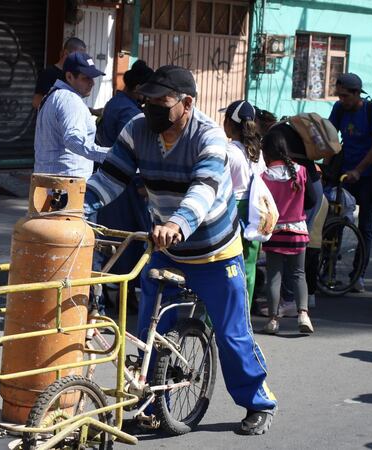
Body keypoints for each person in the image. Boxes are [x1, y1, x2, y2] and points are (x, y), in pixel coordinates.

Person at [83, 65, 277, 435]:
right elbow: (110, 178)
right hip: (166, 251)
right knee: (151, 330)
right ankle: (153, 400)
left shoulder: (209, 138)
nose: (152, 108)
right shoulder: (137, 130)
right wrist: (76, 208)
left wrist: (176, 224)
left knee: (231, 334)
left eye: (162, 102)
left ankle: (258, 402)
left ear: (187, 103)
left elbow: (202, 191)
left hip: (214, 253)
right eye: (148, 100)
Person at [91, 60, 155, 312]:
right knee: (128, 242)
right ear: (138, 88)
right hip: (125, 186)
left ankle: (114, 294)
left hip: (111, 182)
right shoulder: (130, 113)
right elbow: (134, 151)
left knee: (113, 240)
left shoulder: (115, 103)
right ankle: (121, 296)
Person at [327, 73, 372, 293]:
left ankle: (359, 274)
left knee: (366, 227)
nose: (341, 100)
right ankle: (329, 269)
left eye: (345, 96)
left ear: (356, 93)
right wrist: (324, 165)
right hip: (344, 173)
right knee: (333, 219)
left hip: (368, 177)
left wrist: (359, 170)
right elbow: (331, 137)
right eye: (339, 95)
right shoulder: (339, 109)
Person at [260, 124, 317, 334]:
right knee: (298, 274)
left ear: (266, 153)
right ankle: (303, 314)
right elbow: (311, 200)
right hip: (298, 231)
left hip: (274, 232)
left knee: (274, 275)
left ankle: (273, 319)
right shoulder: (301, 171)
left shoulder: (264, 176)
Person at [33, 52, 111, 179]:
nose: (92, 83)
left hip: (50, 183)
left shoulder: (52, 96)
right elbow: (74, 140)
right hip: (66, 187)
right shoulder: (70, 99)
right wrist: (113, 156)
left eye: (92, 78)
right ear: (69, 77)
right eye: (86, 78)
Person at [222, 100, 266, 305]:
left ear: (229, 124)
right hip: (255, 210)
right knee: (248, 266)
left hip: (232, 209)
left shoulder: (229, 152)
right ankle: (243, 316)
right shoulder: (257, 152)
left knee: (225, 265)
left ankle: (213, 322)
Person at [32, 37, 87, 110]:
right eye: (78, 56)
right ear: (66, 53)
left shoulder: (75, 75)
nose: (81, 60)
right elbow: (36, 102)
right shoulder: (48, 73)